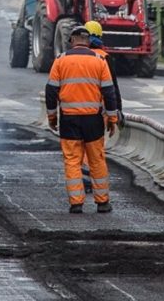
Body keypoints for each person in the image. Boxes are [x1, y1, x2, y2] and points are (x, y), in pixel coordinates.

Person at [45, 25, 118, 214]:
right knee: (97, 159)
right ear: (88, 41)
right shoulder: (99, 61)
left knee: (72, 160)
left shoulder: (60, 61)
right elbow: (109, 93)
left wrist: (52, 116)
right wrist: (112, 118)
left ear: (71, 41)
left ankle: (76, 203)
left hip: (69, 120)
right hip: (93, 120)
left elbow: (51, 91)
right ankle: (102, 202)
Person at [81, 20, 124, 193]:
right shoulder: (104, 58)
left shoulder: (75, 57)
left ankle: (83, 181)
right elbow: (112, 88)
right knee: (96, 150)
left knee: (78, 150)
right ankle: (95, 184)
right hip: (98, 112)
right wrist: (117, 112)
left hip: (74, 111)